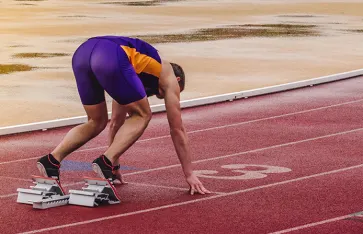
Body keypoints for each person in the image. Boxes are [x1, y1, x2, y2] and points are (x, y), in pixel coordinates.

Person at [36, 36, 210, 195]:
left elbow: (116, 122)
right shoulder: (168, 75)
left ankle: (52, 160)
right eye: (177, 92)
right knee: (143, 115)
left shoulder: (131, 73)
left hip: (83, 54)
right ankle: (105, 162)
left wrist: (115, 163)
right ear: (178, 81)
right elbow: (177, 129)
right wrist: (189, 174)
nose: (167, 97)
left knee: (96, 121)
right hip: (109, 55)